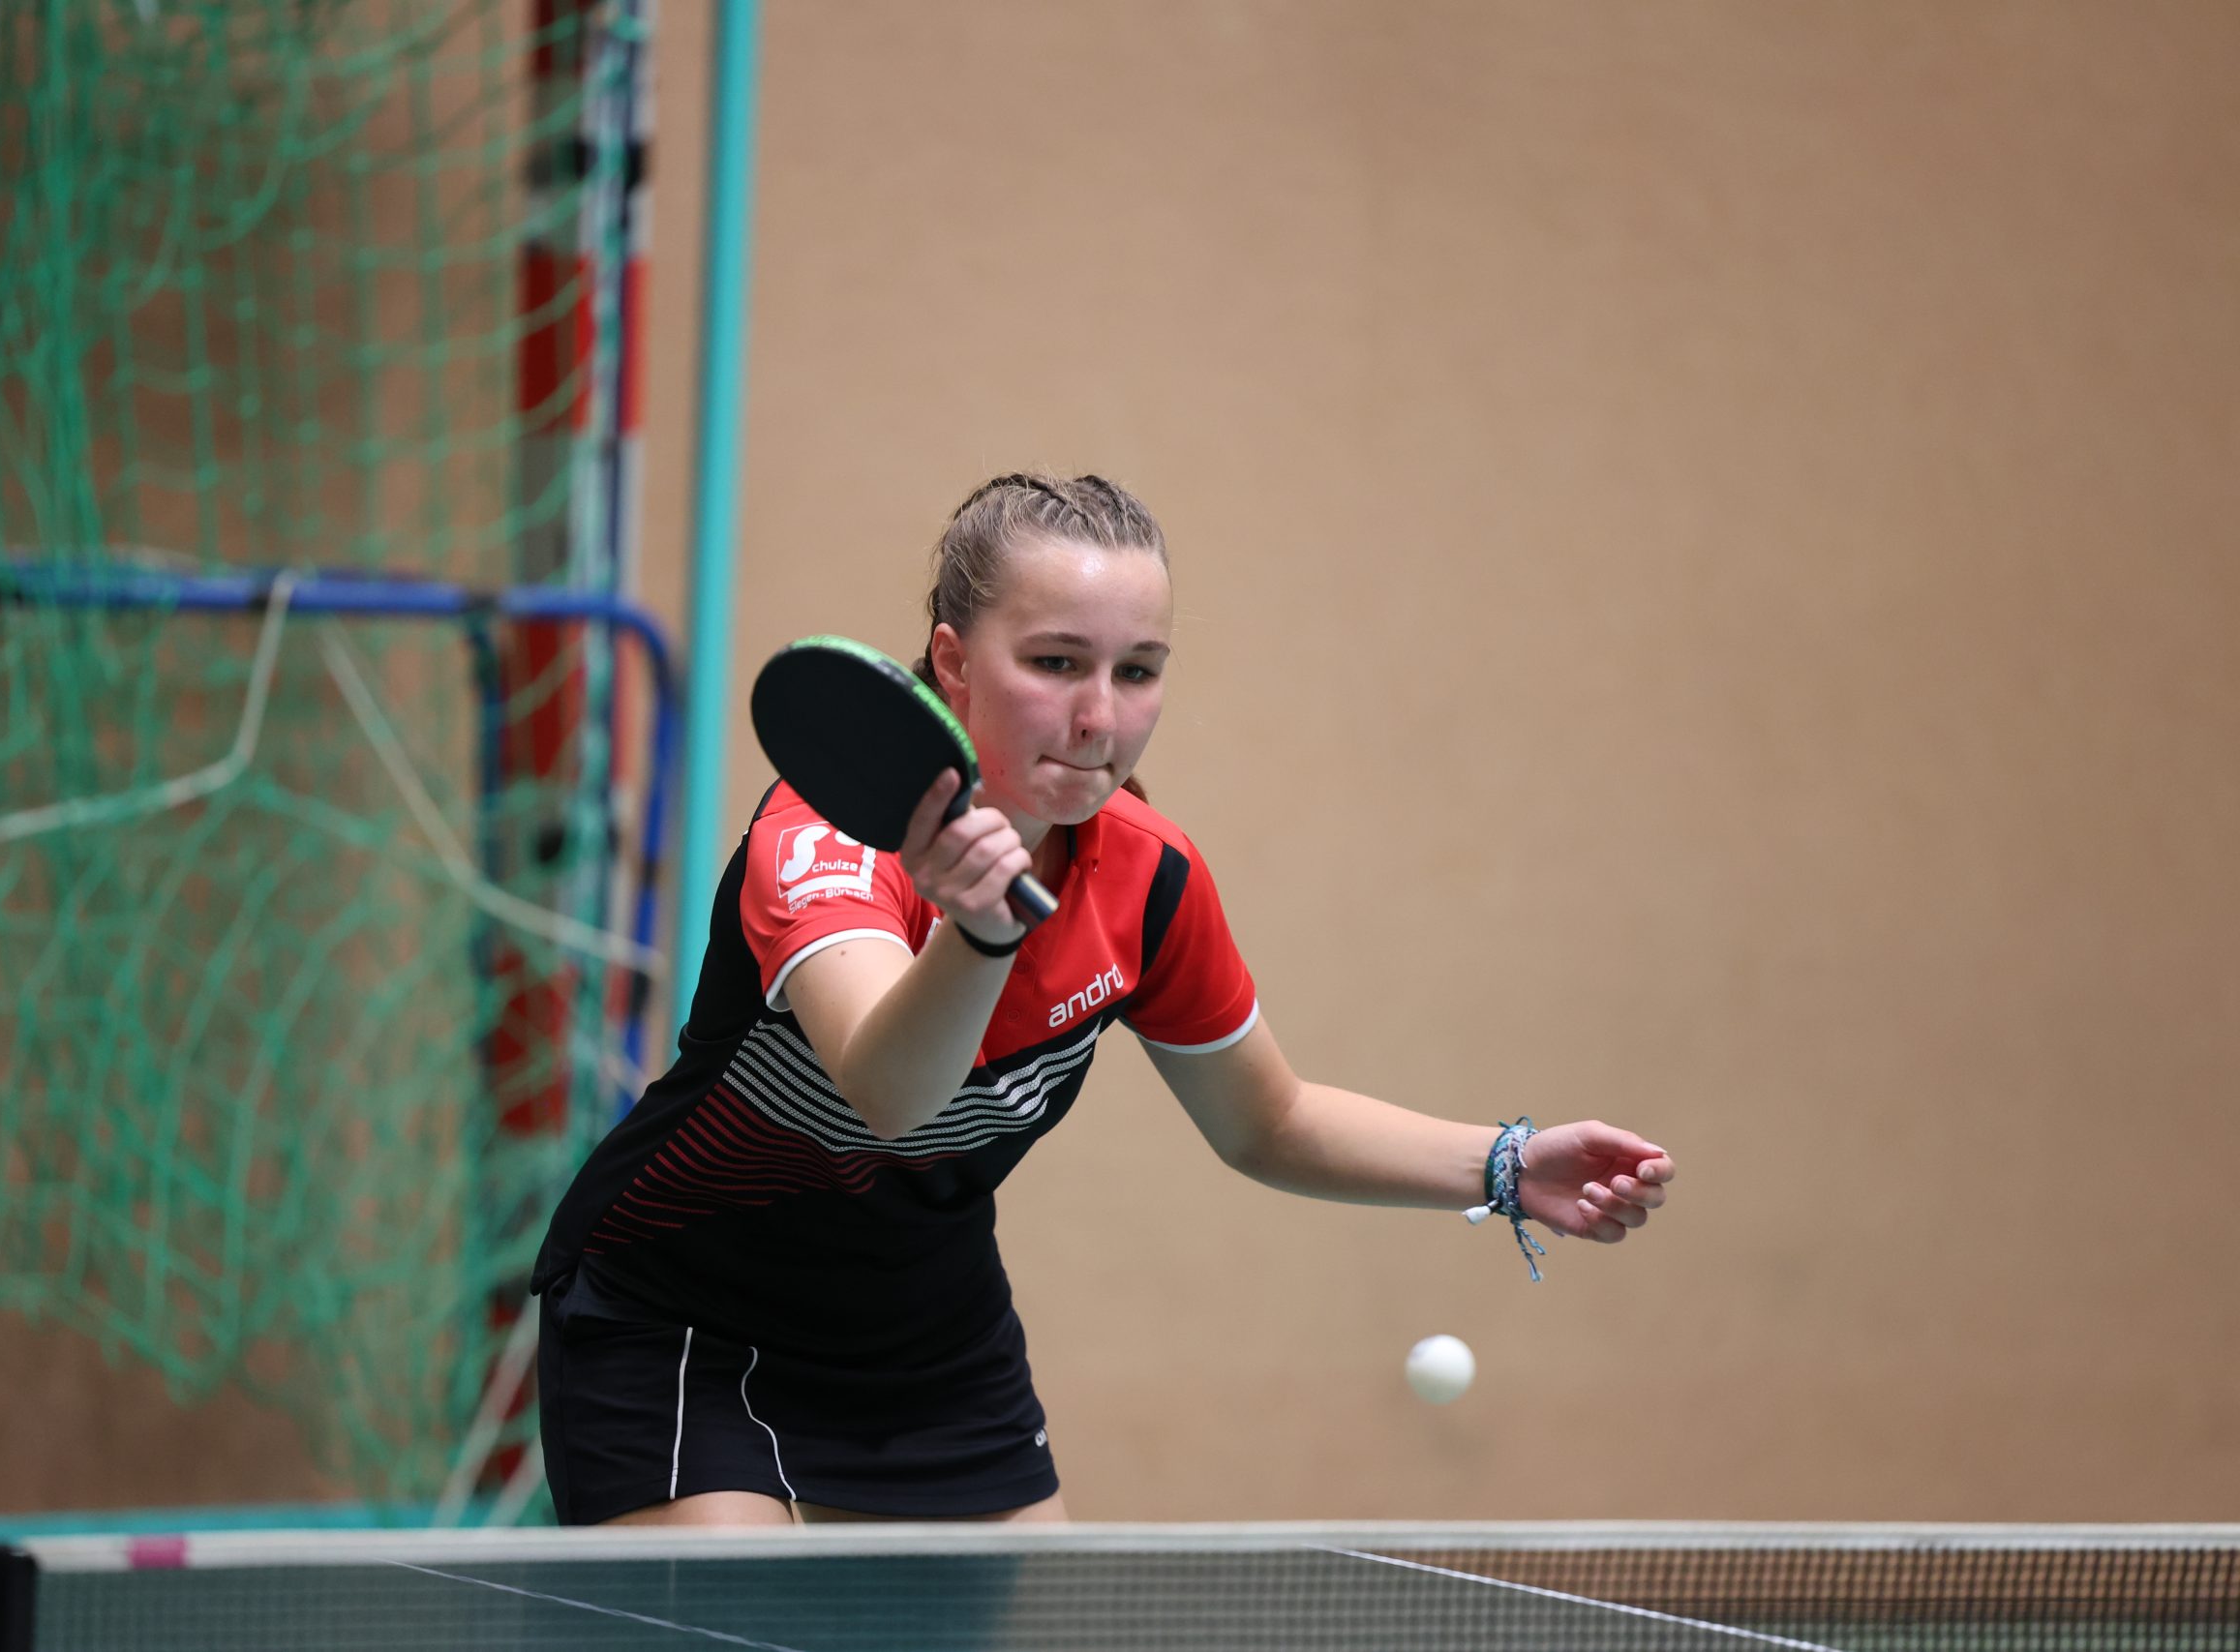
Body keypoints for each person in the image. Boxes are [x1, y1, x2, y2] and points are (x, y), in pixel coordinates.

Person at [530, 472, 1676, 1527]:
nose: (1100, 718)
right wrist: (982, 935)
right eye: (1056, 663)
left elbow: (1266, 1121)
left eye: (1137, 672)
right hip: (686, 1312)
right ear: (952, 661)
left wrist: (1503, 1165)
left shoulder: (1146, 876)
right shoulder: (826, 837)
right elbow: (890, 1097)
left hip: (923, 1340)